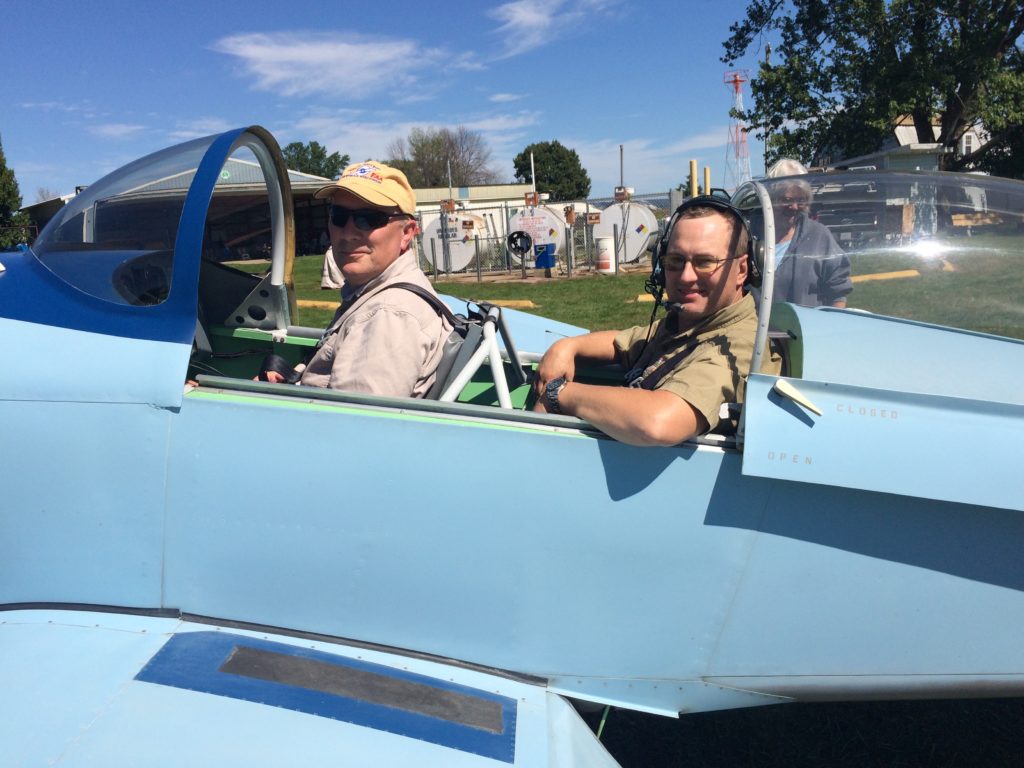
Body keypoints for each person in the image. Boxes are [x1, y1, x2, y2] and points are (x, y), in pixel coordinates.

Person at [532, 198, 775, 447]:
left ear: (742, 270)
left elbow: (657, 423)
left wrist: (559, 394)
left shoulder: (736, 347)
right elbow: (623, 342)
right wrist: (566, 347)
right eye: (675, 261)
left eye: (705, 262)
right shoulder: (689, 324)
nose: (686, 276)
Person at [271, 161, 451, 398]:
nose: (348, 233)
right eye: (339, 216)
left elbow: (356, 420)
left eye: (369, 218)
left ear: (407, 233)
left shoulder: (387, 314)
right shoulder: (374, 293)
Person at [764, 158, 852, 307]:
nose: (794, 207)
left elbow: (838, 291)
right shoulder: (751, 235)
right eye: (787, 200)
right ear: (771, 198)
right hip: (756, 322)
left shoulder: (819, 236)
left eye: (801, 200)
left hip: (805, 323)